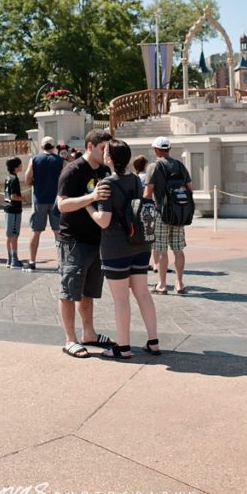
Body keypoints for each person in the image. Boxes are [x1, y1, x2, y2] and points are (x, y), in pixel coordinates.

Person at [88, 140, 161, 359]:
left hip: (115, 246)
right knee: (143, 293)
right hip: (140, 244)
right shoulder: (136, 181)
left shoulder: (106, 184)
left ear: (109, 158)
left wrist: (89, 205)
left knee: (121, 299)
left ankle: (123, 347)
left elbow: (103, 220)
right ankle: (153, 341)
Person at [56, 129, 115, 357]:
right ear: (90, 146)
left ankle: (89, 334)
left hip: (96, 240)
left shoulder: (103, 170)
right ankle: (70, 339)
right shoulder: (73, 170)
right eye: (103, 148)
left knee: (88, 291)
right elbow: (62, 205)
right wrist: (91, 198)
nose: (106, 152)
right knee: (69, 291)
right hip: (73, 240)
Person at [143, 136, 192, 295]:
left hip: (160, 213)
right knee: (178, 248)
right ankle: (179, 283)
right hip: (179, 213)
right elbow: (190, 188)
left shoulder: (154, 166)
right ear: (169, 149)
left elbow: (148, 192)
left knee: (161, 249)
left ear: (156, 150)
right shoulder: (179, 165)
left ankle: (162, 285)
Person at [24, 136, 64, 271]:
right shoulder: (60, 161)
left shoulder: (34, 159)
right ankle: (61, 262)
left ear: (42, 146)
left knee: (36, 231)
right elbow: (64, 180)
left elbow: (27, 179)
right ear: (53, 146)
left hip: (39, 199)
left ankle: (32, 261)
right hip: (55, 200)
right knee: (58, 232)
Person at [3, 157, 26, 268]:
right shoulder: (14, 179)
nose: (21, 167)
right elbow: (13, 196)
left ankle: (9, 259)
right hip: (14, 209)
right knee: (14, 235)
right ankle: (14, 260)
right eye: (20, 165)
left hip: (7, 208)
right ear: (16, 167)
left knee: (9, 235)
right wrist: (23, 199)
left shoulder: (8, 178)